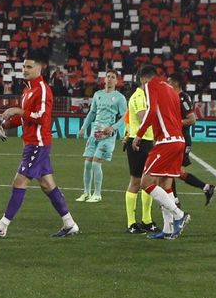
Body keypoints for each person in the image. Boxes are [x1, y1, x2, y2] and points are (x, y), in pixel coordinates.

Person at [0, 52, 79, 237]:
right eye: (23, 66)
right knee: (47, 185)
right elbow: (26, 117)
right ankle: (69, 223)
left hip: (38, 144)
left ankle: (2, 226)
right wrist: (6, 123)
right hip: (33, 143)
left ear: (39, 68)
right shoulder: (28, 89)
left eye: (29, 67)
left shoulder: (42, 89)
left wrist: (16, 110)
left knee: (20, 181)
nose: (24, 70)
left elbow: (42, 118)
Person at [136, 66, 191, 238]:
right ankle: (168, 230)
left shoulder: (151, 85)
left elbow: (151, 111)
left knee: (145, 183)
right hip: (178, 141)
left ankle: (179, 215)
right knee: (165, 185)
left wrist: (139, 134)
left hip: (166, 142)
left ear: (144, 79)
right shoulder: (171, 89)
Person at [75, 70, 126, 204]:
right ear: (104, 79)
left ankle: (97, 194)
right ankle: (86, 192)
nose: (109, 79)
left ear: (117, 81)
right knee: (87, 163)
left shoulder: (120, 98)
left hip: (108, 136)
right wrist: (83, 128)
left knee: (96, 163)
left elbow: (125, 116)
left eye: (113, 77)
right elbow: (92, 113)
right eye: (108, 77)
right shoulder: (98, 95)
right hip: (95, 133)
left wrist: (113, 127)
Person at [168, 73, 216, 205]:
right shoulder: (174, 97)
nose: (167, 84)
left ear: (176, 83)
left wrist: (175, 123)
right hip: (176, 140)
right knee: (175, 171)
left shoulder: (182, 97)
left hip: (182, 140)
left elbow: (192, 119)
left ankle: (175, 201)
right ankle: (206, 188)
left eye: (169, 81)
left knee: (171, 171)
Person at [122, 68, 159, 234]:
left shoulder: (147, 96)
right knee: (136, 182)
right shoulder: (138, 96)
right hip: (138, 142)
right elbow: (144, 117)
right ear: (144, 80)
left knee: (149, 181)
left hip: (148, 141)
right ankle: (131, 223)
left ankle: (146, 220)